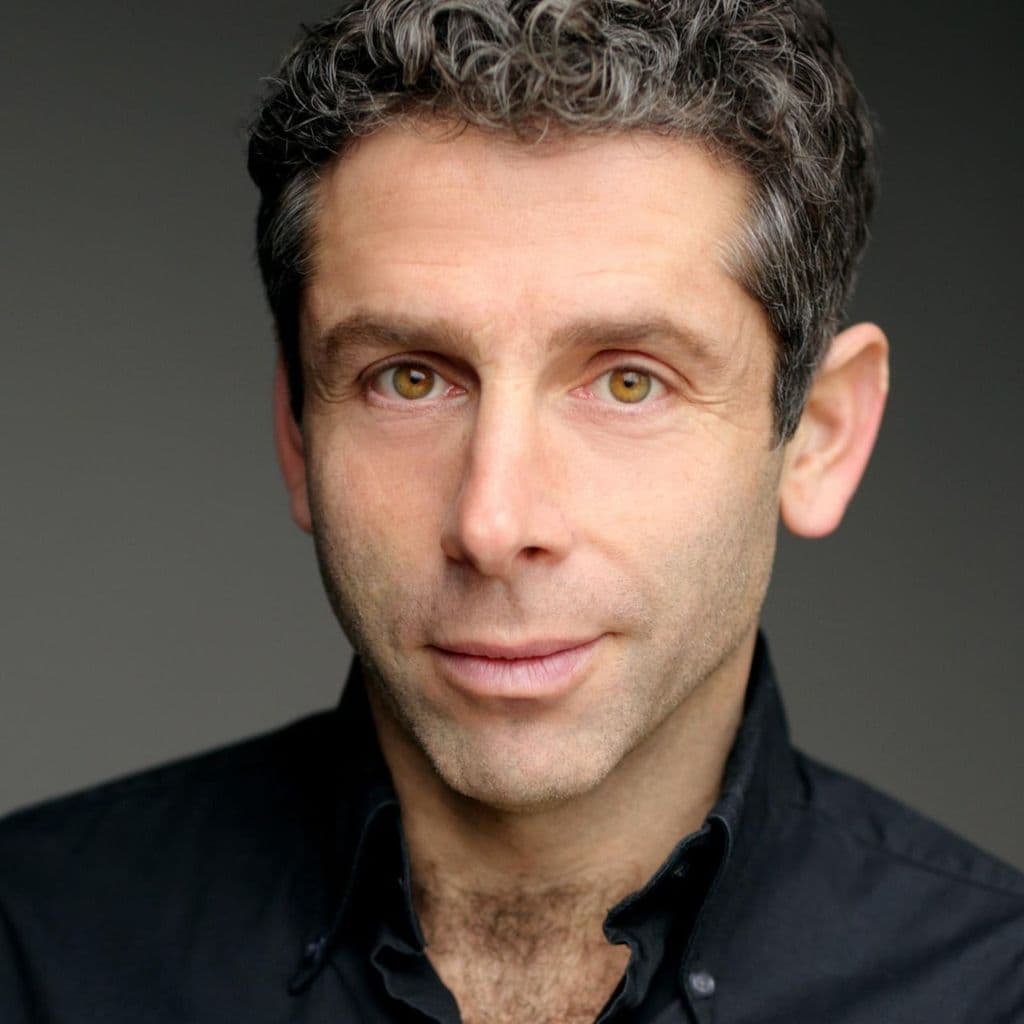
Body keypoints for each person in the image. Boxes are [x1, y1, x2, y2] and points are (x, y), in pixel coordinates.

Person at [2, 0, 1021, 1020]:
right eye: (408, 379)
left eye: (629, 382)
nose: (492, 523)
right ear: (296, 431)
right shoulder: (36, 948)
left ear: (821, 435)